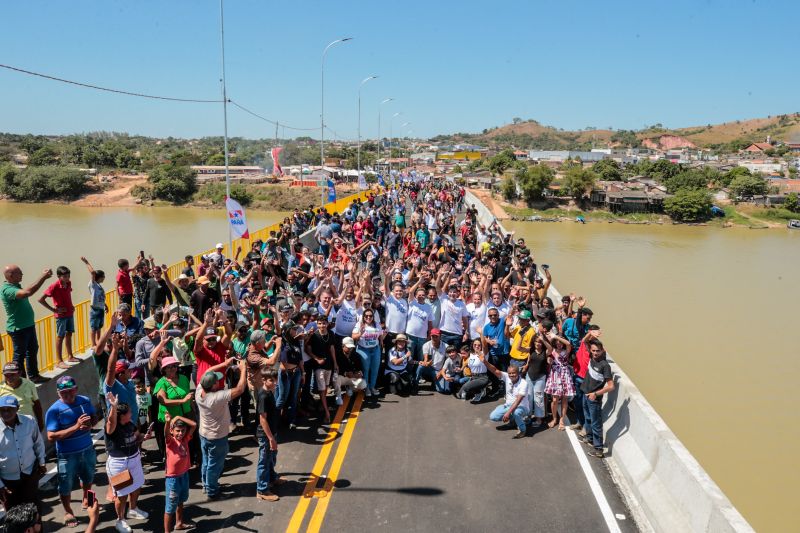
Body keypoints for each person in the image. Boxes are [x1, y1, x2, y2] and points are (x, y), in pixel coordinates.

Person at [45, 375, 98, 529]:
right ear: (58, 393)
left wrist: (91, 424)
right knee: (65, 484)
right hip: (67, 455)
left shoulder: (85, 401)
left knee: (89, 477)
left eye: (70, 391)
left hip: (87, 449)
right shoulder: (54, 410)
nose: (67, 395)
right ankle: (68, 511)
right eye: (63, 393)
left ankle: (87, 499)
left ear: (76, 389)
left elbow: (94, 417)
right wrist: (76, 426)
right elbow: (51, 436)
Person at [195, 357, 247, 500]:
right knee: (215, 465)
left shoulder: (199, 390)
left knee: (206, 462)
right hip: (217, 437)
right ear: (213, 385)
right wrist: (243, 370)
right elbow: (240, 389)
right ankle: (212, 491)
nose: (219, 381)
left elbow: (208, 371)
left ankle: (206, 485)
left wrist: (224, 364)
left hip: (204, 434)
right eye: (216, 381)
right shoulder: (216, 397)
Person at [103, 392, 150, 533]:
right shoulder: (113, 428)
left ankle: (133, 509)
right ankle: (120, 520)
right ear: (122, 415)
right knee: (122, 494)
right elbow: (111, 422)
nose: (131, 413)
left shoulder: (130, 424)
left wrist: (144, 437)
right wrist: (113, 406)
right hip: (119, 464)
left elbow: (137, 436)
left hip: (134, 459)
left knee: (137, 486)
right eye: (129, 412)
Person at [1, 264, 52, 382]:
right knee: (19, 355)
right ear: (11, 275)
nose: (22, 274)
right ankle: (20, 381)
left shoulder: (15, 286)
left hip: (28, 326)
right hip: (18, 328)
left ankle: (34, 376)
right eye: (19, 272)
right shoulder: (7, 290)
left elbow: (25, 291)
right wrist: (43, 277)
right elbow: (27, 292)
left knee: (32, 350)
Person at [0, 396, 46, 510]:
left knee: (33, 508)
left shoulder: (29, 421)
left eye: (9, 409)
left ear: (17, 408)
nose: (6, 413)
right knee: (13, 513)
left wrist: (42, 462)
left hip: (29, 473)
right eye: (2, 410)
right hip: (8, 479)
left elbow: (38, 443)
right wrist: (0, 485)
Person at [579, 339, 615, 459]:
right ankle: (589, 439)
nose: (595, 353)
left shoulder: (605, 366)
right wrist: (591, 334)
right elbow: (584, 341)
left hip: (594, 399)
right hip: (585, 394)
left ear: (602, 351)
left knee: (596, 424)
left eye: (598, 351)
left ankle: (599, 450)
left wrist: (595, 394)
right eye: (593, 350)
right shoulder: (592, 357)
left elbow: (611, 386)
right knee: (588, 418)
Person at [481, 354, 530, 439]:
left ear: (518, 373)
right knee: (493, 416)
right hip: (508, 405)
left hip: (522, 407)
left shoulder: (523, 383)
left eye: (513, 373)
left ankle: (522, 430)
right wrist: (485, 362)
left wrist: (507, 413)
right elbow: (494, 370)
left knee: (516, 412)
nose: (511, 375)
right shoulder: (507, 377)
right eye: (510, 373)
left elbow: (518, 401)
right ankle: (513, 422)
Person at [163, 412, 197, 532]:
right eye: (178, 431)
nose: (180, 433)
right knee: (170, 508)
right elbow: (166, 433)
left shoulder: (185, 439)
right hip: (173, 479)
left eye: (183, 430)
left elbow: (194, 425)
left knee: (181, 500)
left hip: (184, 475)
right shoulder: (170, 441)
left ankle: (179, 523)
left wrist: (177, 417)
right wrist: (168, 422)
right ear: (172, 431)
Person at [39, 266, 77, 369]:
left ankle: (70, 356)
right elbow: (41, 299)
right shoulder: (54, 286)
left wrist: (71, 305)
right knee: (60, 336)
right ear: (59, 276)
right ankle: (59, 361)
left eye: (68, 276)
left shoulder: (68, 283)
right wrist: (54, 310)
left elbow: (67, 295)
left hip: (69, 313)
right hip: (61, 316)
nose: (67, 278)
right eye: (65, 276)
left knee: (69, 333)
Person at [255, 368, 284, 502]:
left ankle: (272, 478)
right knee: (264, 461)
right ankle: (262, 490)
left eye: (275, 379)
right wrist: (271, 438)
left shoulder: (269, 392)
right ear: (264, 380)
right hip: (266, 435)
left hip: (272, 432)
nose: (275, 383)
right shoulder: (263, 396)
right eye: (271, 380)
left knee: (270, 458)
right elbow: (263, 420)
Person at [306, 316, 339, 422]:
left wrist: (335, 363)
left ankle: (322, 404)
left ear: (327, 324)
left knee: (325, 387)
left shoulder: (331, 334)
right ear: (317, 324)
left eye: (324, 323)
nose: (322, 325)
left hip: (329, 365)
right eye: (319, 323)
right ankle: (326, 412)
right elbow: (308, 349)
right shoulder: (314, 335)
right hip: (318, 366)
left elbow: (332, 348)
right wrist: (317, 359)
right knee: (321, 388)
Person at [543, 334, 575, 430]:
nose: (559, 344)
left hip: (565, 375)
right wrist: (548, 360)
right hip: (554, 375)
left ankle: (562, 420)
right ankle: (554, 419)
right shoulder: (551, 350)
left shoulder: (566, 351)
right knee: (554, 400)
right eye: (557, 343)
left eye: (561, 342)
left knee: (565, 399)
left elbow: (568, 344)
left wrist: (556, 337)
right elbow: (547, 356)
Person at [0, 362, 44, 430]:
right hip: (8, 426)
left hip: (28, 425)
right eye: (6, 375)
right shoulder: (1, 387)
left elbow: (36, 404)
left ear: (20, 373)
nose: (9, 377)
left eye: (12, 375)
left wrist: (40, 422)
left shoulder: (29, 384)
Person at [351, 308, 385, 397]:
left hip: (375, 349)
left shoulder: (376, 324)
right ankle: (366, 388)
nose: (368, 317)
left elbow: (380, 334)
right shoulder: (360, 324)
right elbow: (353, 336)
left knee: (375, 369)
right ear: (363, 317)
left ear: (373, 317)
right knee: (366, 369)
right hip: (363, 349)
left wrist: (381, 340)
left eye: (370, 316)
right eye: (366, 316)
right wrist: (360, 333)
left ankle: (372, 387)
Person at [81, 256, 108, 347]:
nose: (104, 278)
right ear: (99, 277)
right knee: (94, 328)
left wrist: (105, 305)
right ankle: (93, 344)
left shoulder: (99, 286)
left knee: (99, 327)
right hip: (95, 309)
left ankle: (98, 341)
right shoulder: (93, 285)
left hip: (100, 309)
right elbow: (92, 273)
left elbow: (100, 297)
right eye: (103, 276)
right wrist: (86, 262)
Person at [456, 339, 490, 403]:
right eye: (475, 345)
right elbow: (467, 363)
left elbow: (485, 345)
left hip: (482, 378)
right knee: (460, 394)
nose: (477, 346)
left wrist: (481, 334)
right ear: (472, 345)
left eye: (479, 345)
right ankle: (480, 390)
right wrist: (461, 369)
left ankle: (479, 392)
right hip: (473, 377)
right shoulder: (471, 354)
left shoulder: (484, 354)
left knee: (465, 387)